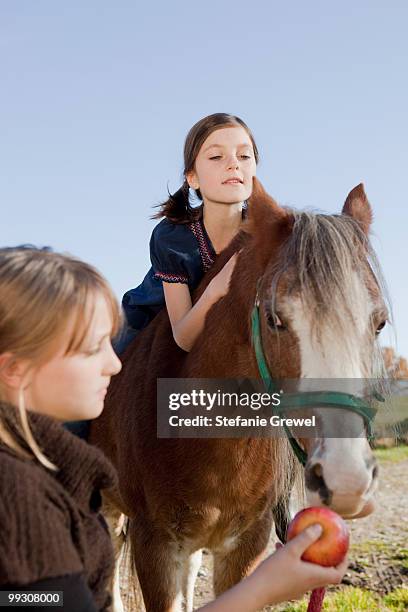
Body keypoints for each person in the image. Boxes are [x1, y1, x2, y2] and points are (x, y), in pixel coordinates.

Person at [0, 246, 348, 611]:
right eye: (91, 349)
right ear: (14, 370)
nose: (114, 365)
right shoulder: (22, 501)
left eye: (110, 344)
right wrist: (262, 590)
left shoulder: (57, 473)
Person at [117, 112, 258, 354]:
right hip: (148, 318)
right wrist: (218, 287)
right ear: (192, 178)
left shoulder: (262, 233)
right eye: (216, 156)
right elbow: (183, 337)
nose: (234, 163)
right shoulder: (172, 237)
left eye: (244, 156)